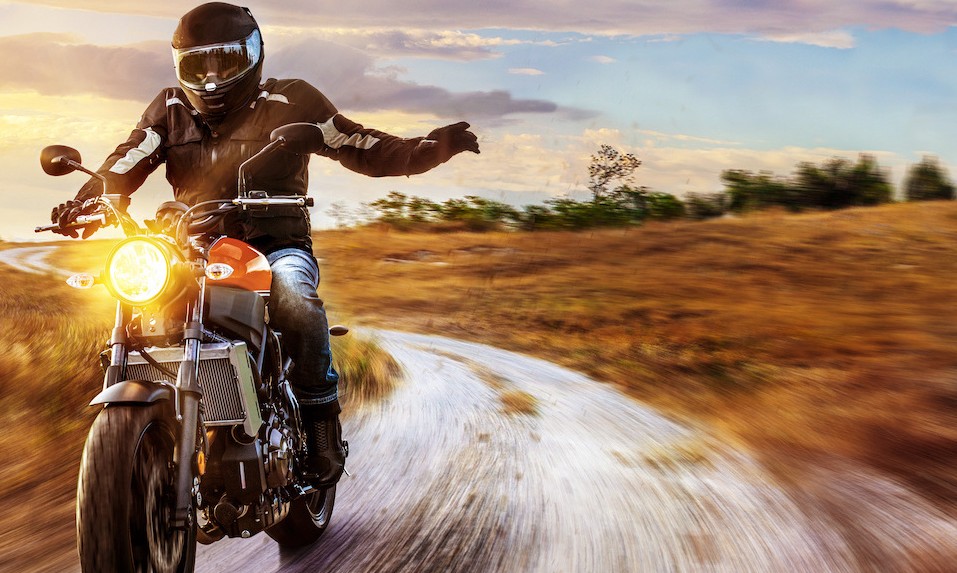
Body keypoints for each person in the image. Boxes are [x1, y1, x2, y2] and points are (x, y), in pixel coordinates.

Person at [50, 2, 480, 487]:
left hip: (276, 242)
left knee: (294, 295)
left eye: (224, 62)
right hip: (193, 250)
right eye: (199, 64)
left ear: (252, 57)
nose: (211, 78)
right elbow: (128, 159)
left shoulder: (292, 98)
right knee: (130, 296)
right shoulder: (171, 108)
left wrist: (429, 148)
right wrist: (87, 201)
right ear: (181, 64)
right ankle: (151, 435)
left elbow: (359, 144)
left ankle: (319, 423)